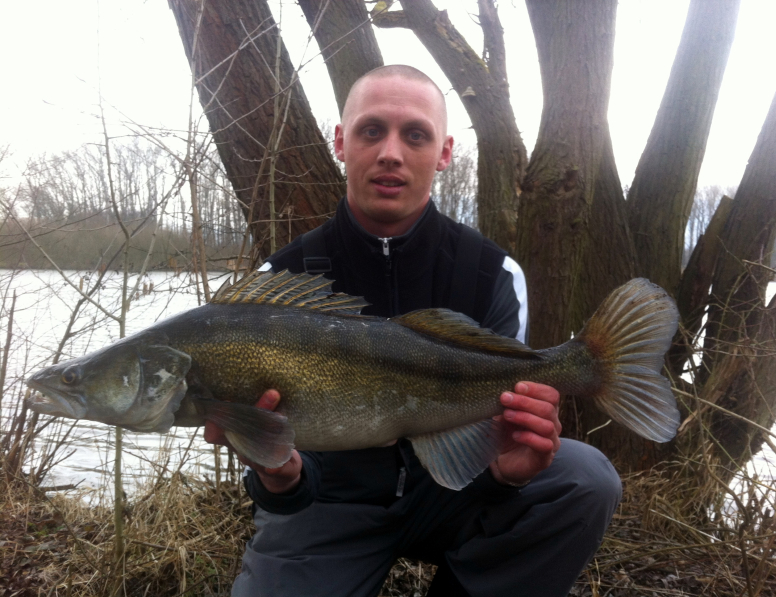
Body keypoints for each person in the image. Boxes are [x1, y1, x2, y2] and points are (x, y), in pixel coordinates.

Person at [205, 65, 622, 597]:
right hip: (325, 504)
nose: (391, 153)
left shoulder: (494, 273)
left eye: (416, 135)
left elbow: (491, 432)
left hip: (454, 492)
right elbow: (274, 459)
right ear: (341, 142)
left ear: (444, 153)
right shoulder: (276, 284)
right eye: (371, 130)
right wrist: (282, 478)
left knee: (584, 479)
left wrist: (506, 472)